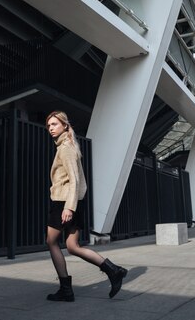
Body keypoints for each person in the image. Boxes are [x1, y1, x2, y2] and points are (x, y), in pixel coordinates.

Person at [44, 110, 128, 302]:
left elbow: (74, 180)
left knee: (51, 242)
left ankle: (66, 289)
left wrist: (68, 207)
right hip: (73, 202)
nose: (51, 128)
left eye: (55, 124)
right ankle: (113, 270)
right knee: (72, 246)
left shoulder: (65, 148)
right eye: (49, 125)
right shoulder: (69, 146)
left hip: (64, 203)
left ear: (65, 125)